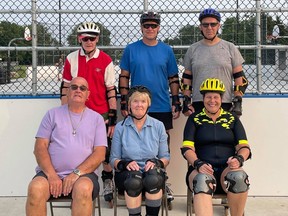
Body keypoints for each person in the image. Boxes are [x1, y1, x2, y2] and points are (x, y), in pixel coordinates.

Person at [119, 11, 181, 207]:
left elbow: (173, 78)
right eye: (146, 25)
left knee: (163, 147)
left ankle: (160, 181)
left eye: (154, 25)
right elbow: (124, 76)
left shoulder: (167, 50)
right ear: (141, 27)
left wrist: (176, 100)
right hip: (136, 105)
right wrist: (123, 101)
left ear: (159, 27)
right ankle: (135, 182)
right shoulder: (131, 49)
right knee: (133, 144)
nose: (150, 28)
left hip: (161, 104)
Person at [26, 77, 107, 216]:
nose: (78, 90)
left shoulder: (97, 119)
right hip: (51, 174)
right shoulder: (52, 114)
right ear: (67, 92)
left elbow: (100, 154)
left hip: (83, 175)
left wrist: (75, 173)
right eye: (74, 87)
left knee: (83, 189)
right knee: (35, 189)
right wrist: (52, 175)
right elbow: (39, 148)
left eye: (82, 88)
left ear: (88, 95)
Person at [60, 21, 117, 205]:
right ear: (80, 39)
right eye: (85, 38)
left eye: (92, 38)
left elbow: (110, 90)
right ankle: (73, 183)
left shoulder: (106, 60)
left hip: (100, 113)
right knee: (75, 149)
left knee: (105, 151)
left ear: (97, 39)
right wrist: (64, 113)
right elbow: (66, 88)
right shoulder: (71, 59)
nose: (89, 41)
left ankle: (107, 180)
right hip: (77, 113)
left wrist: (113, 118)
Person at [181, 78, 252, 216]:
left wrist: (239, 159)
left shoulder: (232, 119)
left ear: (221, 99)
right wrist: (198, 163)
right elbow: (187, 149)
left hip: (227, 170)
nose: (212, 100)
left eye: (215, 97)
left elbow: (245, 147)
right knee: (202, 180)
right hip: (201, 169)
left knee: (239, 177)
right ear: (203, 98)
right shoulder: (194, 118)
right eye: (208, 97)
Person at [110, 86, 170, 216]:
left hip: (152, 172)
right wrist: (125, 164)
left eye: (143, 101)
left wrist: (157, 163)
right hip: (128, 174)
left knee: (153, 179)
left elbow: (165, 157)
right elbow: (113, 159)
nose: (139, 105)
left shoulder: (158, 126)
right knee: (134, 181)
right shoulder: (120, 127)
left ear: (148, 104)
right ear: (129, 105)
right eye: (135, 101)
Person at [181, 8, 248, 117]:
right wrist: (187, 101)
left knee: (225, 134)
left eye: (213, 24)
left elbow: (240, 78)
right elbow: (186, 78)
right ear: (200, 27)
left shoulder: (230, 47)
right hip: (199, 102)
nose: (209, 28)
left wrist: (237, 101)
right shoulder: (193, 49)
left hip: (224, 102)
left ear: (219, 26)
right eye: (205, 25)